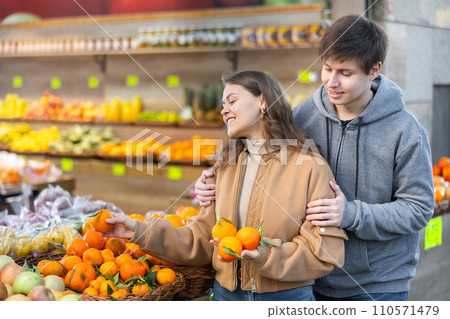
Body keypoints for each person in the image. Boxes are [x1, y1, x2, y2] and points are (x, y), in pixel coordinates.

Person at [195, 15, 434, 301]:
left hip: (377, 284)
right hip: (310, 280)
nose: (331, 82)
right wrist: (214, 184)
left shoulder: (406, 131)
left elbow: (418, 209)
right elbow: (258, 164)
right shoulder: (302, 117)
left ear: (373, 71)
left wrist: (351, 214)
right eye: (327, 68)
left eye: (345, 73)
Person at [106, 70, 347, 301]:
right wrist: (138, 231)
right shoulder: (225, 166)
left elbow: (323, 251)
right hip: (226, 297)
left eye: (232, 100)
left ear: (263, 101)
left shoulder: (309, 165)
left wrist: (264, 256)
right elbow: (199, 238)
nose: (225, 111)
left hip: (286, 299)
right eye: (223, 105)